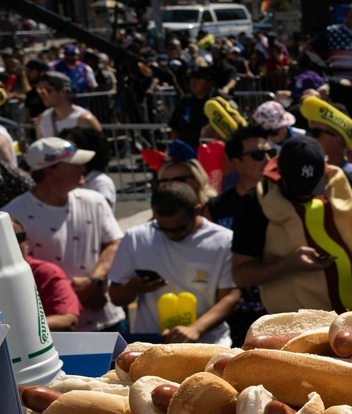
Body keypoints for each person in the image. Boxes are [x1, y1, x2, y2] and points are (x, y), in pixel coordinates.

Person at [230, 137, 352, 313]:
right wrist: (287, 265)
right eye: (298, 188)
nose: (305, 195)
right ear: (280, 173)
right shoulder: (255, 203)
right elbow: (240, 275)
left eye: (313, 186)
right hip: (297, 324)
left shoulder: (343, 185)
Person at [3, 138, 123, 330]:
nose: (83, 168)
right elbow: (20, 268)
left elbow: (114, 243)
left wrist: (94, 280)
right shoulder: (12, 216)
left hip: (106, 318)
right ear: (51, 171)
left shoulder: (95, 201)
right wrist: (70, 294)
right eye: (74, 164)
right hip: (54, 329)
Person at [108, 182, 239, 345]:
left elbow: (231, 297)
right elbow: (116, 297)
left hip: (208, 345)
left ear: (197, 211)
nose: (170, 235)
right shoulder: (135, 237)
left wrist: (195, 329)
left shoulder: (224, 240)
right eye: (161, 228)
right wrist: (134, 287)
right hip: (152, 344)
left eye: (179, 229)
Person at [11, 217, 78, 331]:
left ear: (26, 240)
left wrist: (14, 329)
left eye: (16, 238)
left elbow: (68, 320)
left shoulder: (46, 272)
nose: (10, 245)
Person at [207, 124, 272, 228]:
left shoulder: (285, 198)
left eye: (270, 153)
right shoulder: (216, 207)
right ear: (236, 163)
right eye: (257, 154)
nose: (268, 160)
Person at [304, 3, 352, 91]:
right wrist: (322, 64)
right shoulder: (332, 32)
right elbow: (310, 48)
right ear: (349, 15)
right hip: (339, 84)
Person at [33, 70, 101, 142]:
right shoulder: (42, 119)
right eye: (40, 90)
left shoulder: (84, 120)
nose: (41, 95)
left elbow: (100, 150)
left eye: (46, 91)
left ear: (63, 91)